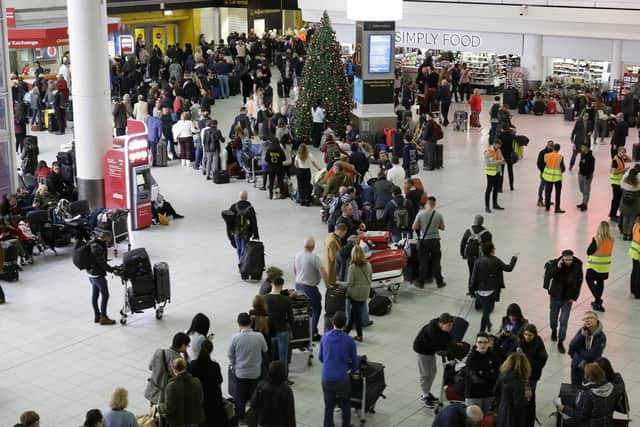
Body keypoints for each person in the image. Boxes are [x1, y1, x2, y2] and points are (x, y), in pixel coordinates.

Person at [318, 311, 359, 427]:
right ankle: (345, 424)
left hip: (326, 377)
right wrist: (350, 368)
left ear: (332, 322)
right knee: (345, 402)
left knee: (329, 405)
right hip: (342, 378)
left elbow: (321, 357)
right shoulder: (349, 341)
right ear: (345, 325)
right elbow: (355, 363)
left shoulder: (325, 337)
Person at [228, 312, 268, 420]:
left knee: (240, 398)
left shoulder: (234, 338)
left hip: (240, 373)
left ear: (238, 324)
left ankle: (240, 417)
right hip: (255, 372)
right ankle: (254, 417)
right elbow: (265, 350)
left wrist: (235, 364)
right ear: (250, 322)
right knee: (254, 397)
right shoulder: (259, 336)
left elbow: (230, 355)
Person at [470, 242, 518, 332]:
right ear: (492, 250)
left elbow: (473, 277)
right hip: (491, 291)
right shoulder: (496, 261)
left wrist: (472, 290)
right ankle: (482, 331)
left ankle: (488, 324)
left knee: (485, 310)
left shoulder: (478, 261)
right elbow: (509, 268)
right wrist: (514, 258)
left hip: (479, 291)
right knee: (485, 313)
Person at [543, 249, 584, 354]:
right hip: (555, 297)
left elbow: (579, 282)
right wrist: (558, 267)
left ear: (572, 257)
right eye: (566, 259)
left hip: (567, 299)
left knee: (564, 321)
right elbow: (549, 275)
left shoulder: (577, 266)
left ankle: (561, 341)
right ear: (562, 258)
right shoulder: (556, 264)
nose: (568, 262)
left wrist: (574, 297)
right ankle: (553, 330)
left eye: (570, 259)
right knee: (553, 319)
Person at [413, 313, 455, 408]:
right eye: (449, 325)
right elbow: (441, 344)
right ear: (441, 323)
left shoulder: (440, 327)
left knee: (433, 372)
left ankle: (427, 392)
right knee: (425, 373)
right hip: (423, 351)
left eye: (451, 325)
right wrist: (449, 348)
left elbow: (447, 339)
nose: (450, 328)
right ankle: (424, 395)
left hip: (430, 351)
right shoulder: (432, 330)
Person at [294, 237, 329, 341]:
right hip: (310, 288)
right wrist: (328, 286)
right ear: (313, 247)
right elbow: (323, 272)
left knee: (305, 310)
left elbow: (295, 269)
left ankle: (305, 332)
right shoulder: (314, 257)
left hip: (298, 285)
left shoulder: (298, 254)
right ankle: (312, 332)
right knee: (316, 310)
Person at [144, 332, 190, 407]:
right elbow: (178, 377)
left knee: (153, 414)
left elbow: (150, 367)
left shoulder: (159, 352)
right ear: (183, 345)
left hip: (153, 390)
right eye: (187, 346)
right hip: (165, 395)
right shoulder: (179, 360)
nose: (187, 348)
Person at [189, 339, 227, 427]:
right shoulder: (215, 365)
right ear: (211, 350)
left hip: (199, 398)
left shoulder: (193, 364)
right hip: (214, 398)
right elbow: (219, 381)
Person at [249, 360, 296, 427]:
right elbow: (290, 414)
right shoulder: (286, 391)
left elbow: (253, 404)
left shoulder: (261, 385)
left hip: (262, 422)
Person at [263, 277, 294, 379]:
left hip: (269, 332)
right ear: (282, 285)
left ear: (272, 284)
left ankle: (271, 377)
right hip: (282, 331)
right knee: (283, 358)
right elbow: (291, 318)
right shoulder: (285, 300)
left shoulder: (264, 298)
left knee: (270, 357)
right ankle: (283, 378)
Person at [160, 357, 205, 427]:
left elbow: (169, 408)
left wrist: (159, 407)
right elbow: (201, 399)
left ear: (174, 370)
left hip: (178, 421)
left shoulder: (171, 386)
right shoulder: (196, 381)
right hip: (193, 418)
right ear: (185, 367)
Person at [413, 196, 446, 288]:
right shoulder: (438, 215)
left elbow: (414, 227)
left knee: (423, 262)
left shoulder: (420, 214)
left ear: (427, 203)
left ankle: (421, 282)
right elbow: (442, 227)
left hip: (425, 241)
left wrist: (422, 226)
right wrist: (435, 227)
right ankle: (440, 282)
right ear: (434, 204)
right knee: (436, 262)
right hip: (435, 241)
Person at [464, 332, 502, 413]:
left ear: (489, 343)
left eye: (485, 342)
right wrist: (490, 373)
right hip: (474, 395)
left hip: (489, 394)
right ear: (476, 343)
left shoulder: (493, 355)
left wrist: (482, 373)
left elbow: (499, 374)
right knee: (473, 420)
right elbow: (476, 379)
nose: (482, 345)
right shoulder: (471, 358)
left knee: (487, 420)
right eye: (480, 342)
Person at [493, 352, 532, 427]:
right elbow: (518, 403)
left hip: (502, 408)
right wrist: (527, 398)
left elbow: (495, 391)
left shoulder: (503, 374)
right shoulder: (519, 382)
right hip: (513, 416)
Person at [86, 229, 116, 325]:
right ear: (107, 237)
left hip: (91, 274)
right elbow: (101, 263)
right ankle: (103, 317)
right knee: (105, 295)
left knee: (95, 295)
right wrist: (112, 270)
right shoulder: (97, 247)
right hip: (97, 275)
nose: (110, 242)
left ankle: (97, 316)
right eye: (110, 239)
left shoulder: (92, 242)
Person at [568, 311, 606, 385]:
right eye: (585, 319)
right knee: (575, 387)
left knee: (588, 389)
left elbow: (591, 356)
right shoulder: (583, 331)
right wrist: (582, 336)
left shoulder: (601, 337)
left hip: (590, 368)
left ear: (596, 320)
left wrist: (578, 349)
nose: (587, 320)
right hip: (576, 365)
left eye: (590, 318)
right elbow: (572, 346)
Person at [344, 245, 372, 343]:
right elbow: (370, 277)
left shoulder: (352, 267)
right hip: (365, 292)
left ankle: (360, 335)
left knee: (357, 315)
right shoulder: (368, 264)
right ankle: (346, 332)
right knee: (354, 313)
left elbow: (350, 283)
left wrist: (338, 283)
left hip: (355, 294)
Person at [519, 324, 548, 415]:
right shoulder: (520, 342)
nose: (527, 337)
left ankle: (528, 413)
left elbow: (541, 361)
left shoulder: (538, 345)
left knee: (529, 396)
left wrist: (525, 357)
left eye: (530, 335)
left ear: (534, 335)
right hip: (520, 374)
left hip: (531, 376)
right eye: (525, 334)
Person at [586, 221, 614, 312]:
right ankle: (597, 302)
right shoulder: (611, 240)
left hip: (594, 266)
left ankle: (598, 299)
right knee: (600, 282)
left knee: (589, 279)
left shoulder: (596, 239)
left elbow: (589, 251)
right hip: (605, 266)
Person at [460, 214, 492, 290]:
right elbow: (489, 247)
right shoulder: (487, 233)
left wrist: (462, 254)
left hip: (470, 255)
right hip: (481, 256)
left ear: (474, 221)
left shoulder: (469, 231)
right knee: (481, 273)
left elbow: (463, 242)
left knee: (471, 272)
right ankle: (479, 288)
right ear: (482, 222)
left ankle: (471, 290)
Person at [228, 191, 259, 263]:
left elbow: (229, 219)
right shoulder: (250, 208)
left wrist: (230, 230)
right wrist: (256, 234)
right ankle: (244, 264)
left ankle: (241, 262)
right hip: (246, 233)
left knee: (239, 248)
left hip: (236, 232)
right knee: (244, 248)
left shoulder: (234, 207)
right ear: (247, 197)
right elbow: (254, 222)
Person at [542, 143, 566, 213]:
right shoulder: (560, 157)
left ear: (553, 148)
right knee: (558, 193)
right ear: (559, 149)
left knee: (548, 192)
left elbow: (544, 164)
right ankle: (557, 208)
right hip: (557, 178)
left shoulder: (546, 156)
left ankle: (547, 207)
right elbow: (563, 168)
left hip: (548, 177)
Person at [608, 146, 630, 221]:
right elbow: (614, 171)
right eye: (622, 152)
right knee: (616, 199)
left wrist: (625, 155)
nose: (623, 153)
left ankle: (614, 214)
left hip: (619, 182)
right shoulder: (615, 160)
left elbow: (630, 160)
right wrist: (624, 170)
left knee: (618, 199)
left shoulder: (621, 158)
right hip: (615, 182)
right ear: (618, 152)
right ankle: (612, 215)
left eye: (624, 152)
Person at [484, 139, 505, 213]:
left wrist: (503, 161)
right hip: (490, 173)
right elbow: (488, 163)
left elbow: (502, 158)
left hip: (498, 172)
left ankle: (495, 204)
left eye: (500, 146)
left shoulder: (498, 150)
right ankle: (487, 206)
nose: (499, 147)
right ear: (495, 144)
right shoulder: (488, 151)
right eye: (498, 146)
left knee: (496, 189)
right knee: (489, 190)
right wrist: (499, 161)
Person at [619, 165, 640, 240]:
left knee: (625, 218)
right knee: (632, 220)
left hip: (624, 204)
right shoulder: (637, 185)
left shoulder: (624, 183)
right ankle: (630, 234)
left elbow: (621, 184)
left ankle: (624, 234)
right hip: (634, 205)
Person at [577, 144, 595, 211]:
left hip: (587, 176)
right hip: (581, 174)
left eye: (583, 147)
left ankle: (585, 204)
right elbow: (580, 164)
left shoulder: (591, 158)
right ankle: (583, 201)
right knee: (581, 189)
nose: (581, 148)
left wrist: (588, 175)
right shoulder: (582, 155)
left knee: (586, 191)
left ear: (587, 148)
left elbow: (592, 168)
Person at [536, 140, 554, 207]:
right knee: (542, 186)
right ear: (547, 145)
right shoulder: (542, 152)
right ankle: (540, 200)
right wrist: (543, 170)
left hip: (551, 173)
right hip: (544, 173)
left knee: (548, 187)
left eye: (552, 146)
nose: (551, 147)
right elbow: (538, 163)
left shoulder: (553, 153)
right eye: (550, 145)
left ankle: (547, 200)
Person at [629, 215, 640, 298]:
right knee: (638, 273)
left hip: (634, 252)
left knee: (635, 271)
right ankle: (638, 292)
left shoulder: (636, 226)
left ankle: (633, 289)